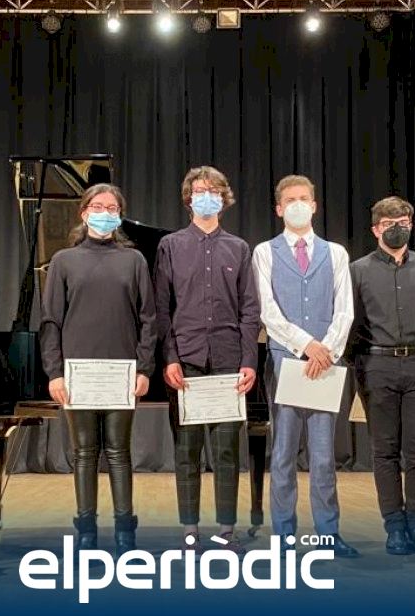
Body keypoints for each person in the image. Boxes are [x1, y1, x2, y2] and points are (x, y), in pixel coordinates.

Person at [40, 183, 157, 557]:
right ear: (84, 212)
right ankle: (86, 530)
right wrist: (54, 372)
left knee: (119, 452)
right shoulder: (63, 261)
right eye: (98, 206)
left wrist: (144, 368)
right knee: (84, 453)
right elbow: (51, 321)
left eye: (112, 208)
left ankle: (125, 532)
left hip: (122, 372)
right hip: (78, 373)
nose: (105, 213)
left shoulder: (134, 261)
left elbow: (148, 319)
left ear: (120, 215)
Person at [153, 166, 261, 552]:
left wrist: (249, 359)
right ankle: (190, 528)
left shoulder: (239, 248)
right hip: (187, 361)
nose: (207, 196)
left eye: (214, 190)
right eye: (200, 190)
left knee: (228, 450)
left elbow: (250, 309)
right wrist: (169, 357)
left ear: (224, 198)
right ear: (188, 198)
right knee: (187, 450)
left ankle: (226, 529)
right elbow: (162, 309)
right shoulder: (170, 246)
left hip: (230, 363)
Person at [253, 174, 359, 558]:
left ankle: (328, 534)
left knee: (324, 455)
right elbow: (268, 311)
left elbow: (344, 309)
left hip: (325, 364)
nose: (297, 205)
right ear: (279, 209)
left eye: (304, 199)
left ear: (314, 206)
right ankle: (283, 536)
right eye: (290, 200)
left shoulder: (336, 253)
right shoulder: (264, 252)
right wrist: (307, 345)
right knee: (283, 453)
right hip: (285, 361)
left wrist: (325, 349)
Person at [348, 196, 415, 556]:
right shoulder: (357, 270)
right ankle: (395, 527)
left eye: (402, 221)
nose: (396, 228)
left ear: (411, 224)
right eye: (388, 223)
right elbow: (351, 321)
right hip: (376, 366)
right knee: (384, 450)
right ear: (375, 229)